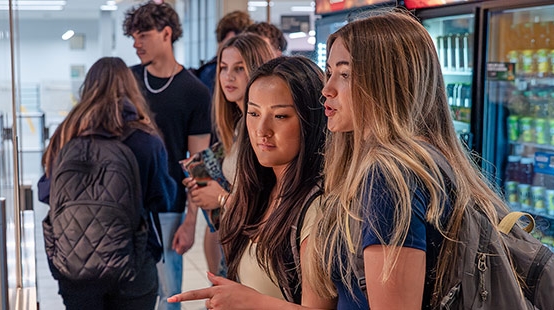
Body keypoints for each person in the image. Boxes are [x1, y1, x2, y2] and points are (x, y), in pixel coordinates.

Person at [304, 10, 512, 309]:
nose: (327, 90)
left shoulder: (389, 176)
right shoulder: (426, 159)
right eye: (329, 72)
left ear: (386, 82)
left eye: (345, 74)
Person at [171, 56, 327, 309]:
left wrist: (248, 300)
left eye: (280, 116)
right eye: (253, 113)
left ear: (311, 120)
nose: (261, 129)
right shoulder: (259, 189)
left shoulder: (316, 208)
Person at [37, 57, 176, 309]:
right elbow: (163, 199)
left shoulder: (65, 134)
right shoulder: (146, 139)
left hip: (75, 265)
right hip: (133, 261)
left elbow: (46, 193)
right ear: (131, 88)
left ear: (87, 88)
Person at [123, 3, 213, 310]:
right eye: (133, 37)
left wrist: (190, 222)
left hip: (168, 207)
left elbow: (198, 163)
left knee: (168, 296)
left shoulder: (195, 91)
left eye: (143, 35)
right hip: (126, 204)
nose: (136, 44)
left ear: (166, 33)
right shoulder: (127, 82)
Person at [184, 33, 276, 277]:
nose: (228, 77)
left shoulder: (262, 128)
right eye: (223, 68)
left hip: (260, 255)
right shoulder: (238, 126)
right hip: (237, 247)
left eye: (239, 68)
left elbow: (272, 202)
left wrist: (222, 198)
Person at [194, 10, 253, 93]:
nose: (234, 51)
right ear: (220, 44)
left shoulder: (253, 69)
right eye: (230, 44)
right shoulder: (209, 73)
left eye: (239, 68)